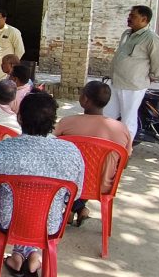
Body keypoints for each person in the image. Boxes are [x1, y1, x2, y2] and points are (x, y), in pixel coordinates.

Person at [0, 92, 84, 275]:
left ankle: (20, 256)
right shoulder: (72, 153)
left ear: (19, 118)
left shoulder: (0, 149)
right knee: (36, 211)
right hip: (49, 224)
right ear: (53, 122)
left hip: (6, 222)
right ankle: (30, 255)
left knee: (12, 206)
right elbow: (75, 194)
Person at [54, 81, 133, 225]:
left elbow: (53, 146)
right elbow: (124, 164)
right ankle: (80, 209)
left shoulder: (67, 122)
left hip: (68, 183)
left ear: (85, 99)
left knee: (80, 173)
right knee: (91, 172)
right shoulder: (121, 129)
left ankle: (72, 208)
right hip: (103, 185)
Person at [104, 5, 159, 141]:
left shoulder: (152, 39)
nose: (129, 18)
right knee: (107, 115)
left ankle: (125, 150)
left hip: (133, 85)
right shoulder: (126, 33)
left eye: (133, 16)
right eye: (130, 15)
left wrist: (152, 77)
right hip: (116, 81)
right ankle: (106, 144)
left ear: (144, 19)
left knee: (128, 119)